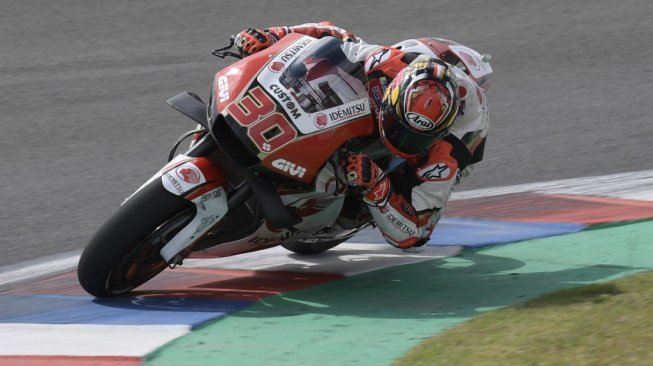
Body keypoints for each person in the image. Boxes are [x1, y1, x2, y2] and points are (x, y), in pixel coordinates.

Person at [234, 22, 490, 252]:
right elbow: (333, 37)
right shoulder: (387, 62)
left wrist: (378, 187)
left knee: (396, 188)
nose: (402, 140)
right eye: (400, 128)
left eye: (415, 137)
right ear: (392, 93)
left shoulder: (449, 148)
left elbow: (417, 234)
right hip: (413, 72)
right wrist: (275, 35)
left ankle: (358, 211)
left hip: (462, 132)